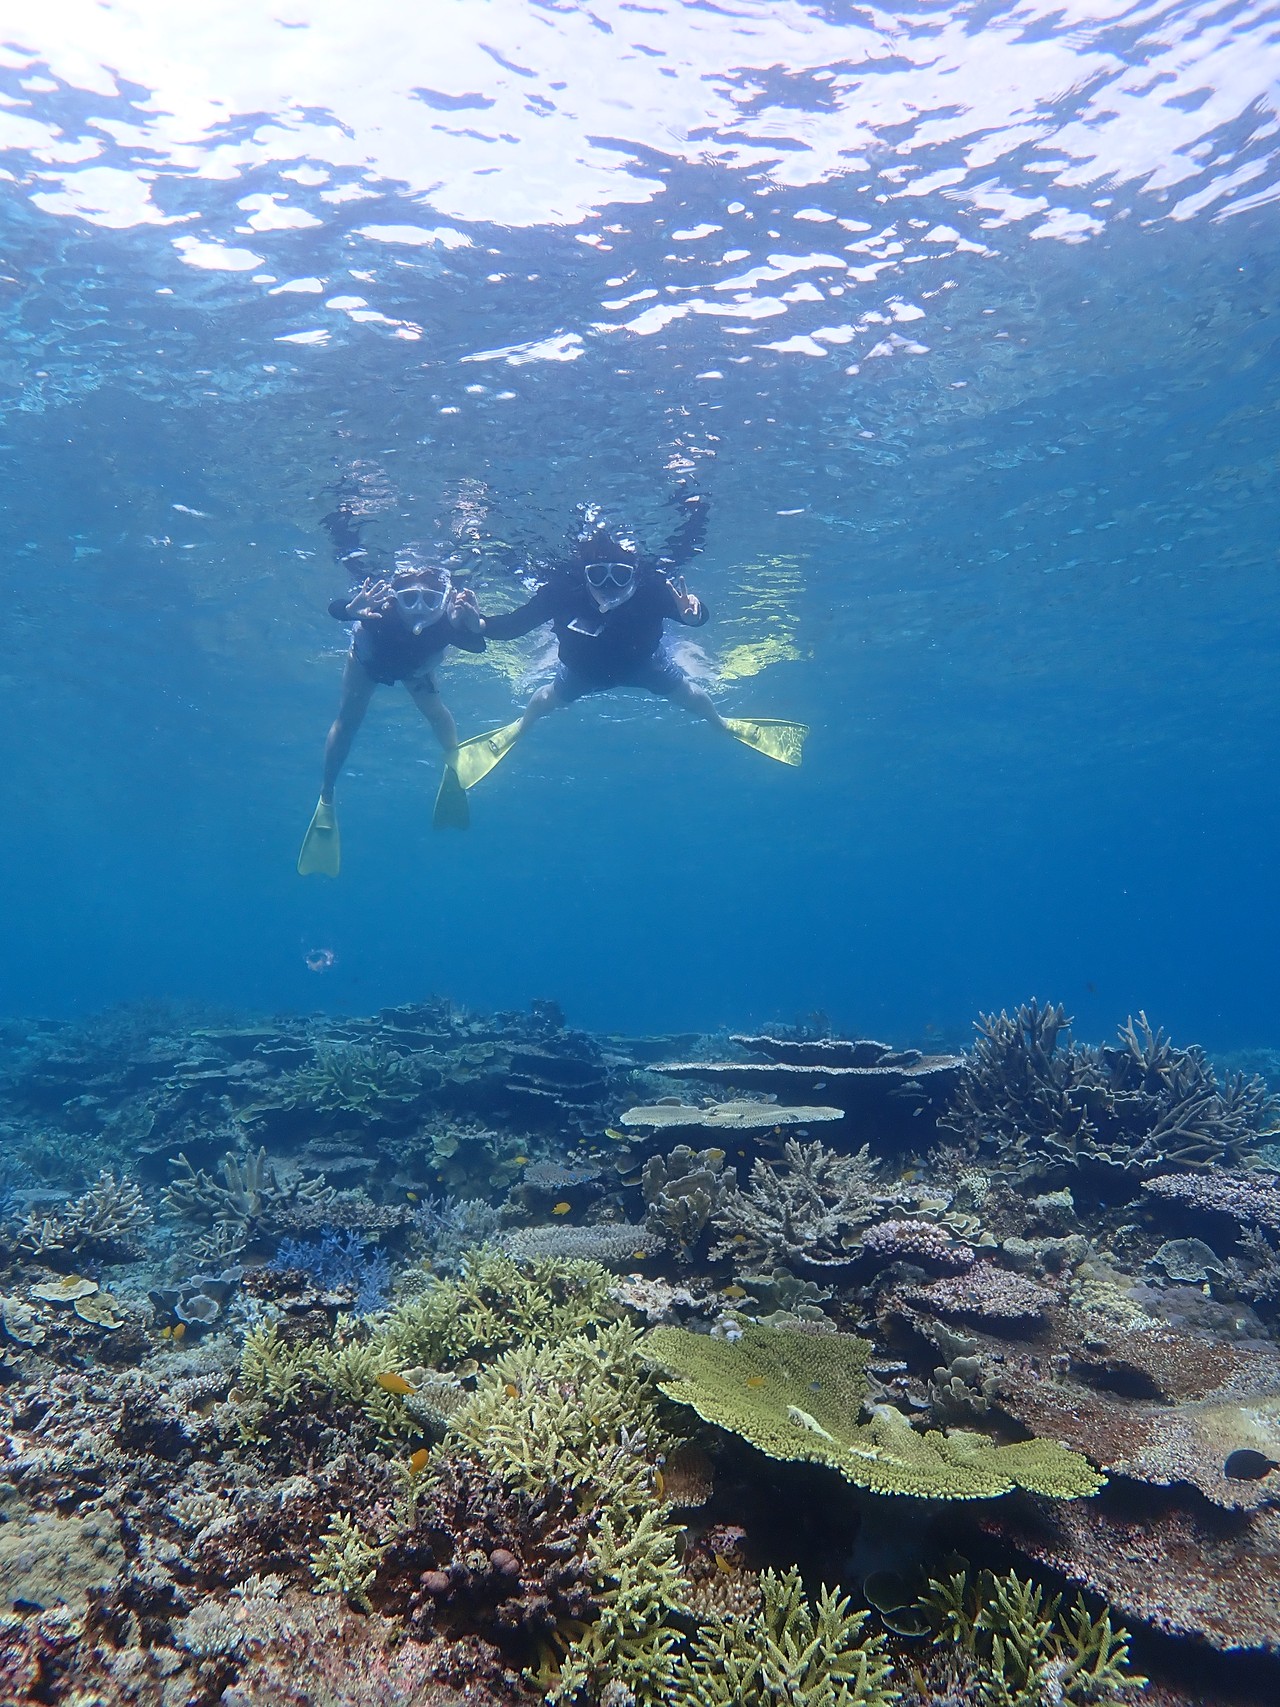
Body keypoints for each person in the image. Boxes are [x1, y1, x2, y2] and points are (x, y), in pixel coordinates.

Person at [448, 492, 808, 797]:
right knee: (543, 702)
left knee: (693, 698)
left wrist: (694, 614)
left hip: (645, 665)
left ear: (633, 573)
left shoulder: (653, 588)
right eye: (598, 575)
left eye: (619, 575)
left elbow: (693, 617)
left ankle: (722, 723)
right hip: (580, 671)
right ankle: (518, 728)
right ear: (583, 574)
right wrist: (477, 624)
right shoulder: (563, 591)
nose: (608, 585)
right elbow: (514, 626)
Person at [297, 546, 485, 876]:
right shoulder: (379, 610)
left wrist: (473, 625)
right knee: (348, 722)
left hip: (416, 672)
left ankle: (454, 763)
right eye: (409, 598)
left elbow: (478, 645)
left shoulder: (447, 620)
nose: (419, 609)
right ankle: (326, 797)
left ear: (443, 598)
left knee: (437, 712)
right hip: (367, 665)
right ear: (395, 597)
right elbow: (335, 609)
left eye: (430, 600)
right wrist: (350, 611)